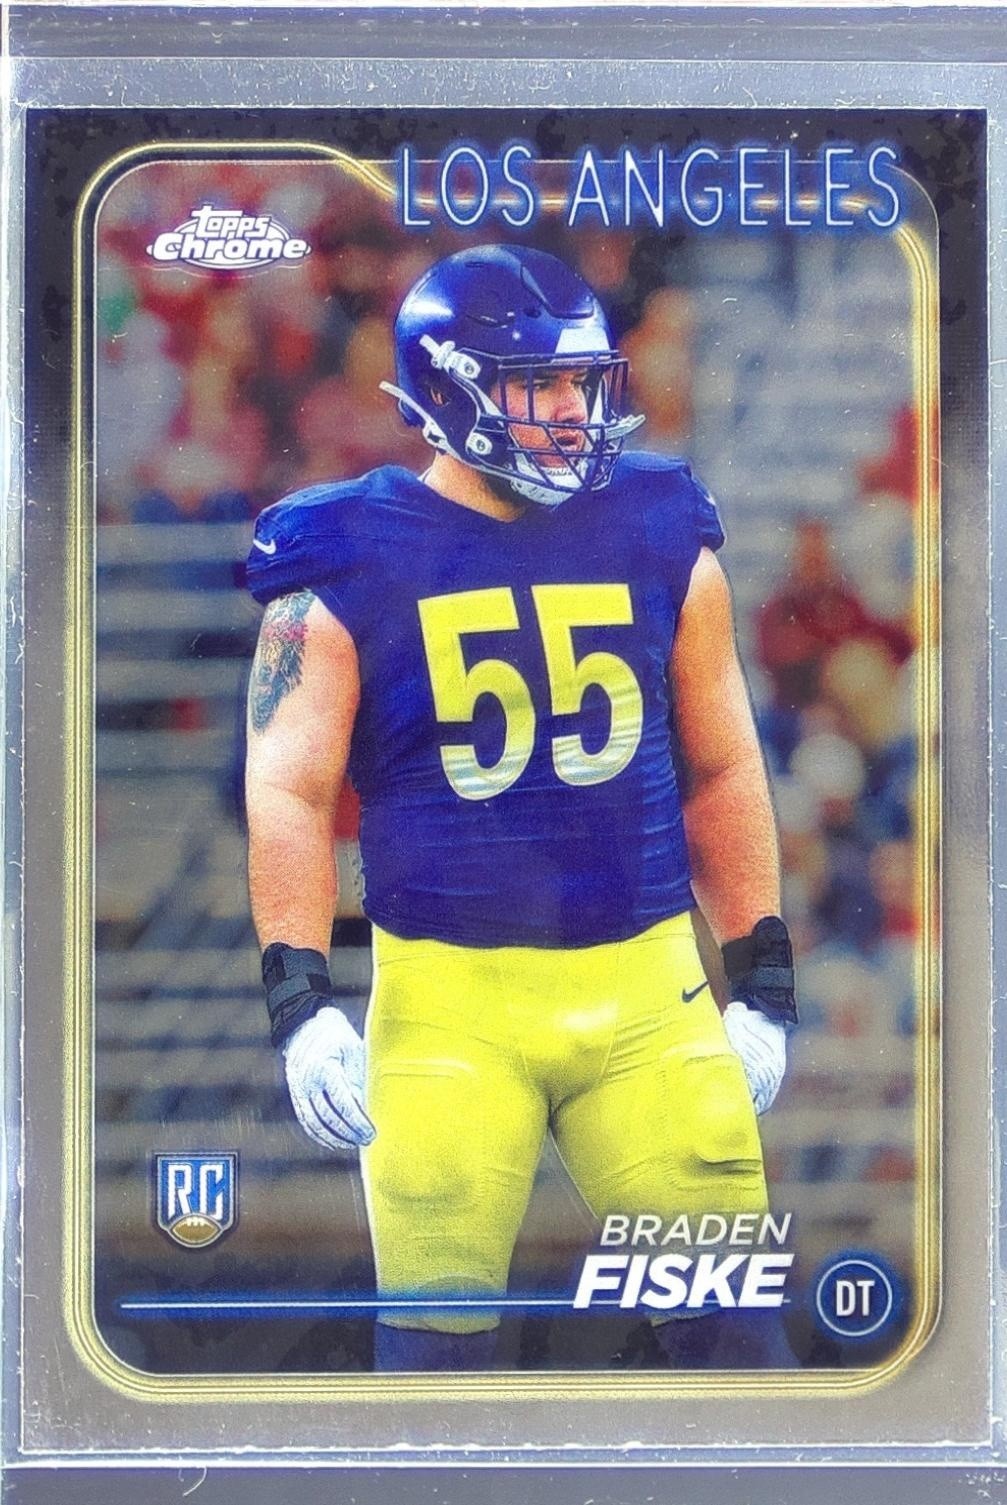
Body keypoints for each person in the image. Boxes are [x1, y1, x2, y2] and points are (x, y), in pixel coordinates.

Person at [244, 245, 797, 1373]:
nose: (571, 411)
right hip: (447, 1006)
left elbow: (723, 766)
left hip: (649, 999)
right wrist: (299, 999)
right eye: (536, 384)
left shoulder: (656, 520)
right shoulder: (347, 550)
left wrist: (763, 976)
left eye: (581, 381)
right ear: (448, 388)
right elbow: (290, 788)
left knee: (742, 1357)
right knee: (432, 1381)